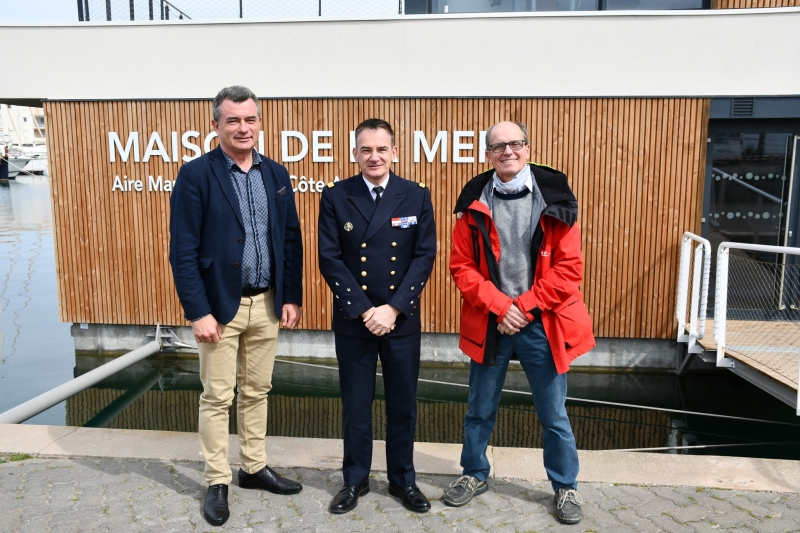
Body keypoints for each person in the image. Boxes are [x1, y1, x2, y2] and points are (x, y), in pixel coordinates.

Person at [446, 121, 595, 525]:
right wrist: (500, 307)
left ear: (527, 148)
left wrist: (524, 308)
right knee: (479, 408)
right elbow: (461, 267)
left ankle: (565, 486)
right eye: (498, 146)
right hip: (492, 320)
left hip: (541, 322)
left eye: (514, 144)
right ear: (488, 155)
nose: (507, 151)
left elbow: (568, 270)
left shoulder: (556, 201)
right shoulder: (473, 205)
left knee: (553, 414)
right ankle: (474, 474)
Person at [169, 85, 304, 527]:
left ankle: (253, 468)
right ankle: (217, 481)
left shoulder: (277, 174)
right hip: (219, 308)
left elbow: (289, 240)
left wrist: (291, 296)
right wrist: (198, 312)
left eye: (250, 119)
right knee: (216, 397)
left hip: (266, 304)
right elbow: (183, 251)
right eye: (233, 120)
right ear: (216, 125)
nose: (243, 128)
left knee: (257, 391)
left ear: (260, 123)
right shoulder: (196, 175)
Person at [317, 118, 437, 514]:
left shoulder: (415, 196)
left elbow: (424, 257)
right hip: (356, 320)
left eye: (381, 149)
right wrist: (366, 310)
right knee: (356, 404)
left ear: (394, 152)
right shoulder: (336, 195)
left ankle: (404, 480)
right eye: (366, 149)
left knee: (402, 404)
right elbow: (330, 258)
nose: (374, 156)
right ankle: (354, 480)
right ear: (355, 154)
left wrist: (394, 308)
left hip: (401, 320)